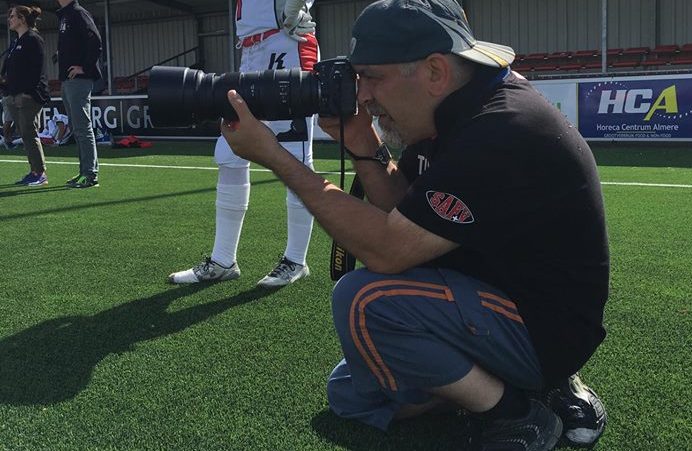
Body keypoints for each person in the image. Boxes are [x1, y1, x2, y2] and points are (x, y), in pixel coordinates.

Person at [219, 0, 610, 449]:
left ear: (435, 72)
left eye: (373, 77)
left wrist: (274, 155)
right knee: (350, 393)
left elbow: (388, 250)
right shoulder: (452, 107)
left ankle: (516, 413)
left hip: (542, 325)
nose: (363, 96)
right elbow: (403, 207)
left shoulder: (500, 129)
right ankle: (507, 383)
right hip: (490, 292)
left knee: (364, 300)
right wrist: (362, 140)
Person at [168, 0, 319, 288]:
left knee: (296, 158)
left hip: (286, 44)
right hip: (252, 49)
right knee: (230, 151)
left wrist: (295, 4)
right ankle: (223, 260)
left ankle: (296, 260)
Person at [1, 5, 50, 186]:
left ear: (22, 19)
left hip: (28, 96)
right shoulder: (16, 42)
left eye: (13, 16)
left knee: (29, 132)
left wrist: (27, 92)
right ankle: (34, 171)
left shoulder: (33, 39)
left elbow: (37, 70)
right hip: (14, 94)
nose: (9, 19)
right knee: (25, 133)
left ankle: (40, 173)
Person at [56, 0, 102, 188]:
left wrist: (85, 67)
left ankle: (90, 174)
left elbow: (95, 41)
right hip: (68, 80)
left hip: (79, 80)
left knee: (82, 127)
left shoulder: (78, 13)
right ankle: (84, 171)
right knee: (77, 128)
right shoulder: (66, 15)